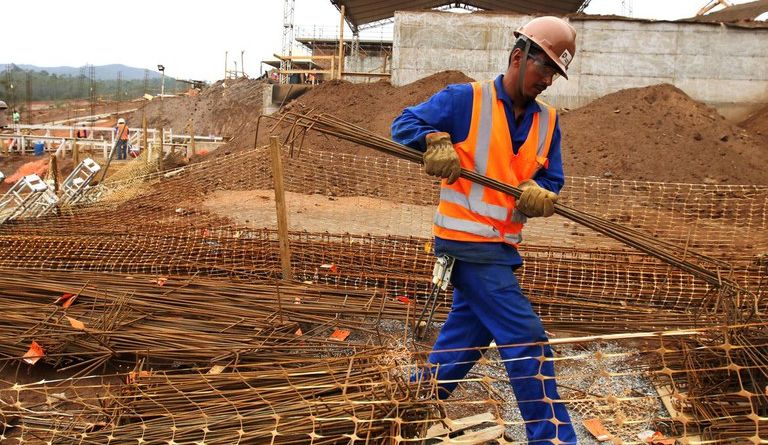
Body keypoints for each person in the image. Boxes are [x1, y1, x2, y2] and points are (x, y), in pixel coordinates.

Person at [391, 16, 577, 444]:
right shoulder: (464, 100)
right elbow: (403, 126)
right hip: (465, 247)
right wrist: (434, 141)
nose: (548, 80)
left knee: (464, 341)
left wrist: (539, 193)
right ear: (518, 56)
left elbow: (552, 181)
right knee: (526, 338)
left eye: (554, 72)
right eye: (543, 68)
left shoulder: (548, 123)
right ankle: (554, 439)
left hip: (502, 250)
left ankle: (405, 407)